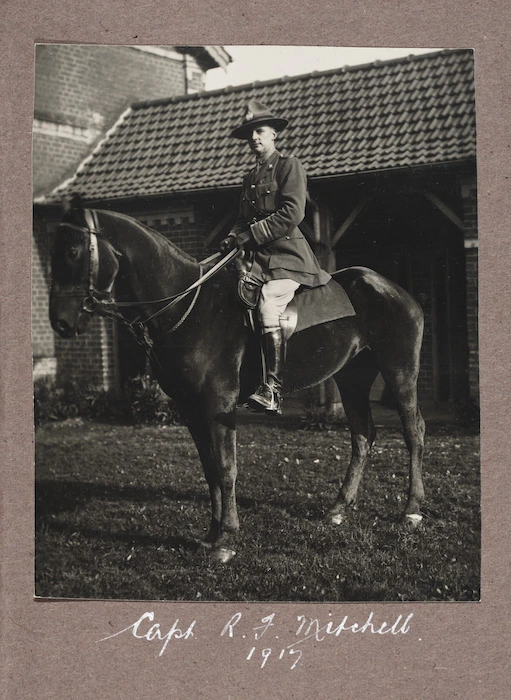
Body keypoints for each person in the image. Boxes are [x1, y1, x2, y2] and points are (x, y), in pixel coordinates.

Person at [219, 99, 330, 415]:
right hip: (257, 261)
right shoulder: (249, 177)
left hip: (288, 257)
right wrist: (231, 237)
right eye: (251, 133)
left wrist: (251, 235)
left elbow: (293, 212)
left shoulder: (289, 166)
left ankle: (272, 389)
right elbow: (243, 219)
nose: (255, 137)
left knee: (268, 303)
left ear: (273, 135)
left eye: (261, 131)